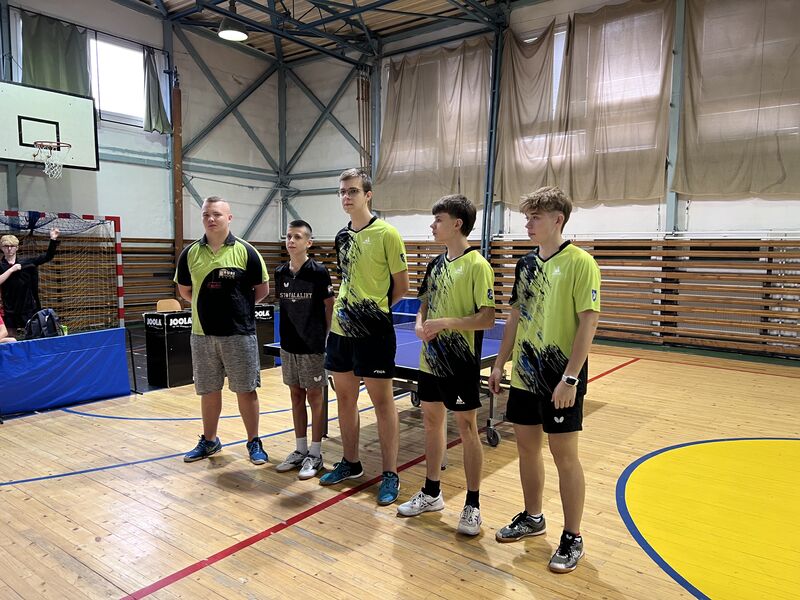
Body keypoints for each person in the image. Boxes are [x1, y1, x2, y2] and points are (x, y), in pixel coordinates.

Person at [488, 186, 601, 573]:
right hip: (525, 375)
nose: (528, 224)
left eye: (535, 217)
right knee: (526, 449)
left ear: (558, 219)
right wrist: (500, 363)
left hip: (560, 379)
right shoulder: (525, 265)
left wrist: (570, 378)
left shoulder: (581, 263)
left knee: (564, 456)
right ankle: (533, 517)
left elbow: (589, 322)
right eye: (527, 217)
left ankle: (573, 536)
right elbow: (515, 317)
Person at [396, 195, 495, 536]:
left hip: (460, 362)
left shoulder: (478, 265)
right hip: (431, 360)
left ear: (457, 224)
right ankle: (431, 492)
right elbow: (423, 303)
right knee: (431, 422)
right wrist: (419, 323)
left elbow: (487, 318)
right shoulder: (435, 264)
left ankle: (472, 504)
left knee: (467, 428)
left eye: (438, 219)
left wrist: (446, 323)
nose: (432, 225)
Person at [320, 168, 409, 505]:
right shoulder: (342, 236)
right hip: (341, 331)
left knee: (383, 403)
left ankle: (390, 473)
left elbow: (402, 288)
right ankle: (351, 462)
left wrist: (372, 312)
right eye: (342, 192)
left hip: (374, 333)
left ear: (368, 195)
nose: (346, 197)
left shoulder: (387, 233)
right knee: (345, 399)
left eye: (353, 191)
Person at [175, 196, 270, 465]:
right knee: (208, 390)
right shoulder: (190, 253)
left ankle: (253, 441)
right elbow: (185, 291)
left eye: (216, 214)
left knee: (246, 390)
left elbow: (262, 290)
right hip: (202, 335)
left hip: (239, 334)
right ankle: (210, 440)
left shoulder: (247, 251)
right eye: (206, 214)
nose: (211, 219)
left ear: (229, 218)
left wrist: (236, 308)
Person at [274, 220, 334, 480]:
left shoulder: (318, 272)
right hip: (289, 345)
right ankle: (300, 450)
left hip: (313, 346)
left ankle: (316, 454)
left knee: (315, 397)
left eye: (297, 237)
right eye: (289, 236)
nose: (291, 241)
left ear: (308, 242)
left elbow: (329, 305)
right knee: (296, 396)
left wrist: (326, 337)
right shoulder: (280, 272)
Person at [0, 229, 60, 334]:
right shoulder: (0, 266)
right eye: (6, 246)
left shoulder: (27, 262)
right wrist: (11, 269)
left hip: (27, 307)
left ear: (17, 248)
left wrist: (53, 239)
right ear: (1, 248)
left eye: (12, 246)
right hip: (9, 308)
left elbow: (47, 257)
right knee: (10, 335)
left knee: (34, 333)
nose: (9, 249)